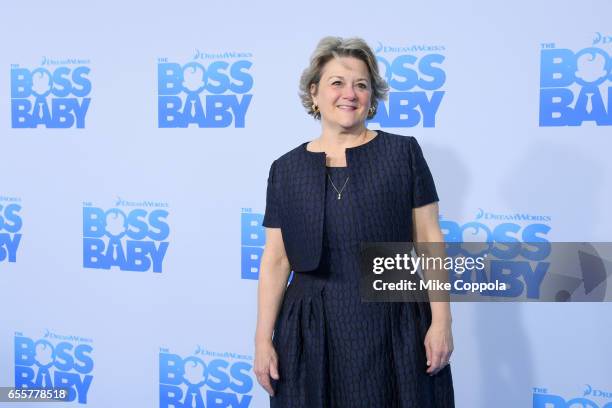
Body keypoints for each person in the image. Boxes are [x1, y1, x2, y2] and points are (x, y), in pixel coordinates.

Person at [254, 36, 455, 407]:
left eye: (361, 85)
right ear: (314, 93)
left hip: (394, 323)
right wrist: (262, 340)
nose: (350, 93)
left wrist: (441, 321)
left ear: (372, 96)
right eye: (337, 83)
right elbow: (276, 260)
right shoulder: (285, 170)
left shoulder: (402, 153)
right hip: (310, 328)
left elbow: (428, 237)